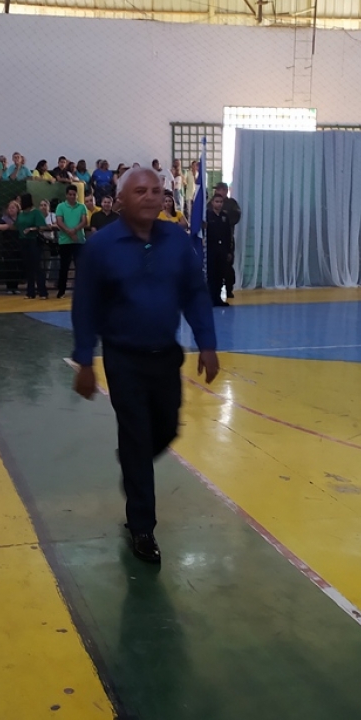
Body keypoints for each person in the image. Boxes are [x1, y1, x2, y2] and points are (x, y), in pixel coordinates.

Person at [71, 168, 219, 564]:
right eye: (140, 191)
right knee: (137, 438)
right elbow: (85, 306)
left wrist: (207, 343)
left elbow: (195, 293)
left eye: (157, 190)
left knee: (167, 429)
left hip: (166, 355)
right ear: (120, 200)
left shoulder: (176, 240)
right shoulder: (101, 247)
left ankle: (133, 461)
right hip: (123, 359)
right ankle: (142, 528)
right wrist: (84, 360)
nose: (151, 197)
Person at [54, 185, 87, 298]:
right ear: (66, 195)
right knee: (64, 267)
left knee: (80, 267)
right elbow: (59, 221)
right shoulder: (60, 206)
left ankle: (81, 290)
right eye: (70, 194)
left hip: (79, 240)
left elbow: (84, 221)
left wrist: (74, 230)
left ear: (77, 195)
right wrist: (70, 232)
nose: (72, 196)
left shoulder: (82, 206)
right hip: (65, 241)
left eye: (74, 194)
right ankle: (61, 290)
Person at [204, 192, 236, 307]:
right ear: (212, 203)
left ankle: (218, 299)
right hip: (211, 249)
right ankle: (211, 299)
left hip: (222, 250)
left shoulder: (224, 216)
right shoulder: (207, 215)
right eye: (217, 202)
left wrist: (229, 251)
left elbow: (228, 235)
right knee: (211, 275)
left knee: (220, 275)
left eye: (221, 202)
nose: (219, 204)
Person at [14, 193, 47, 299]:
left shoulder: (36, 212)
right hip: (23, 241)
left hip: (33, 241)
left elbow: (43, 226)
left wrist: (32, 229)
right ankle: (30, 292)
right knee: (28, 267)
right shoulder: (21, 213)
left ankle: (42, 292)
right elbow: (16, 225)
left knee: (37, 267)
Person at [213, 182, 242, 298]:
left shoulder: (232, 204)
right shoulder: (211, 203)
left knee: (228, 265)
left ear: (225, 191)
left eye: (219, 189)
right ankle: (216, 290)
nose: (217, 191)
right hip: (214, 239)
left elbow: (236, 216)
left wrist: (224, 218)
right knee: (215, 266)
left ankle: (229, 289)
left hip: (227, 238)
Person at [0, 199, 22, 294]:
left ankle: (16, 287)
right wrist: (9, 226)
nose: (11, 209)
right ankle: (9, 287)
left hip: (19, 246)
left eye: (13, 208)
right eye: (9, 208)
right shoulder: (4, 218)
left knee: (17, 267)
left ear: (17, 209)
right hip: (7, 246)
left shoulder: (21, 218)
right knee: (9, 266)